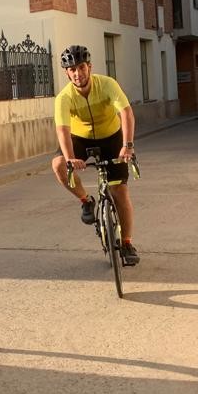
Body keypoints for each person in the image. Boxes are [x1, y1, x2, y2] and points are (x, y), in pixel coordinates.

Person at [51, 45, 139, 265]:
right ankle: (86, 200)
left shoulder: (107, 84)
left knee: (120, 192)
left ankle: (127, 243)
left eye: (81, 67)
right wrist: (70, 158)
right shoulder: (64, 98)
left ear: (89, 67)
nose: (77, 73)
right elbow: (62, 130)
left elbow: (126, 113)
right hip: (80, 138)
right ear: (67, 73)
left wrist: (128, 145)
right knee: (58, 164)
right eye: (72, 69)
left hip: (111, 136)